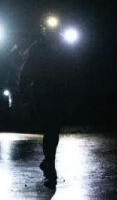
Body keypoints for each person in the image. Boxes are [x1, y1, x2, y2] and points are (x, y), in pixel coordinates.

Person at [18, 24, 80, 186]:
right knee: (51, 128)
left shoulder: (64, 48)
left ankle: (49, 162)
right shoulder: (38, 47)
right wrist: (22, 90)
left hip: (58, 93)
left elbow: (74, 71)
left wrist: (73, 95)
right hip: (43, 93)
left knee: (52, 129)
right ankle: (50, 163)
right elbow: (27, 70)